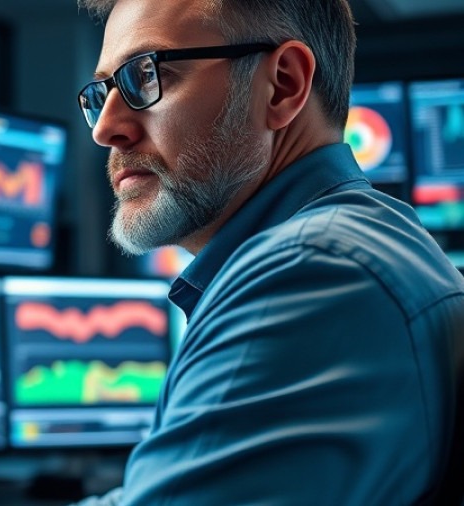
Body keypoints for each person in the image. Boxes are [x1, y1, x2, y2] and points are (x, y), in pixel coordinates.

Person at [72, 0, 464, 504]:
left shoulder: (309, 271)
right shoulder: (360, 242)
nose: (105, 128)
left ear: (283, 85)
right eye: (101, 93)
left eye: (145, 76)